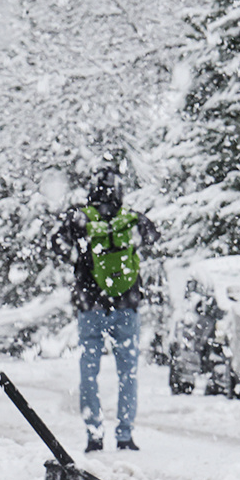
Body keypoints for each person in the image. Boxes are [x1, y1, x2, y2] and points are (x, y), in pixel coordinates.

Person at [51, 168, 161, 452]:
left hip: (91, 305)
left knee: (89, 372)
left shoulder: (80, 218)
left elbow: (57, 244)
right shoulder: (131, 218)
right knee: (128, 373)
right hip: (126, 304)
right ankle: (125, 434)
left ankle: (94, 433)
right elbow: (152, 236)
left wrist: (79, 262)